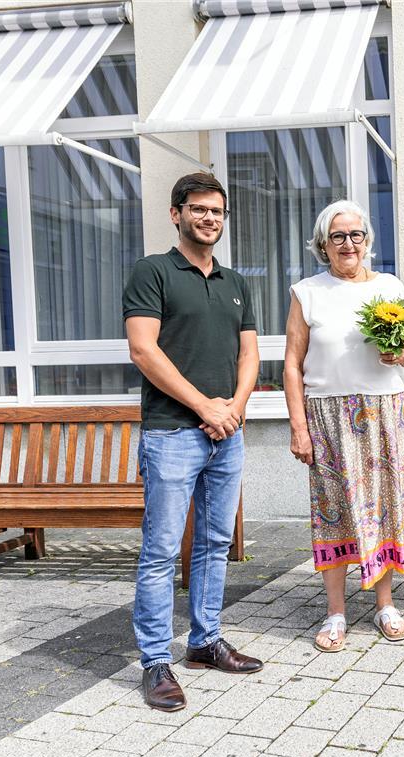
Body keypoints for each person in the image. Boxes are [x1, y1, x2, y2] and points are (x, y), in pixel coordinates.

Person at [123, 172, 264, 713]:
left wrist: (233, 407)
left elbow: (249, 353)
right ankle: (156, 660)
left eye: (218, 212)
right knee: (160, 551)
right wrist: (204, 406)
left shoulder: (234, 280)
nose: (210, 219)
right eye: (199, 209)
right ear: (176, 213)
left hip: (225, 434)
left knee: (212, 544)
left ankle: (205, 643)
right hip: (172, 433)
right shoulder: (152, 272)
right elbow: (144, 350)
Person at [284, 200, 404, 653]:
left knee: (383, 505)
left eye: (356, 235)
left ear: (367, 241)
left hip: (385, 411)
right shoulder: (307, 291)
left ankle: (385, 604)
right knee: (335, 511)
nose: (348, 244)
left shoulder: (389, 286)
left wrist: (400, 354)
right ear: (322, 244)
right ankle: (336, 612)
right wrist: (297, 426)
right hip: (327, 416)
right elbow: (292, 363)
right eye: (337, 236)